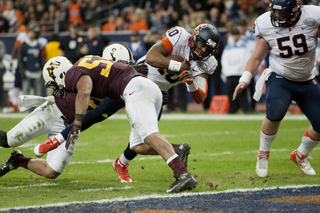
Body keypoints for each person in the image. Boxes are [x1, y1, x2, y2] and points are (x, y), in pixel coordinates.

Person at [47, 55, 197, 193]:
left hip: (135, 89)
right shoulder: (98, 65)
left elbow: (85, 93)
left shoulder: (74, 73)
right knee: (137, 145)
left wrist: (77, 124)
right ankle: (176, 151)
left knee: (150, 135)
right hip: (148, 88)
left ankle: (182, 174)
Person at [0, 48, 136, 180]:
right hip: (53, 112)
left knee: (52, 171)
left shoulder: (115, 86)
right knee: (9, 140)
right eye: (124, 67)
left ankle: (18, 160)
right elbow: (84, 93)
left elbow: (98, 113)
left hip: (68, 126)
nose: (126, 72)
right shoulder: (90, 70)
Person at [233, 0, 320, 178]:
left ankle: (301, 155)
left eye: (284, 12)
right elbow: (257, 57)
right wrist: (245, 78)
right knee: (275, 113)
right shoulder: (265, 23)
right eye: (276, 12)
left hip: (306, 78)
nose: (278, 16)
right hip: (280, 76)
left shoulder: (313, 16)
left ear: (298, 10)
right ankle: (263, 154)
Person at [221, 28, 251, 114]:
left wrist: (242, 71)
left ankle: (245, 109)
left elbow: (246, 59)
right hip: (230, 73)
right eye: (233, 35)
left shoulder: (244, 46)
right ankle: (233, 109)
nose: (235, 37)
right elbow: (224, 60)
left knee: (242, 92)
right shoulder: (228, 47)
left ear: (239, 36)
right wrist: (226, 71)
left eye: (236, 35)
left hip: (239, 73)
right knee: (230, 92)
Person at [19, 24, 45, 96]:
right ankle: (27, 107)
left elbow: (40, 58)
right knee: (26, 92)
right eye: (31, 32)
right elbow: (20, 59)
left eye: (34, 33)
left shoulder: (38, 45)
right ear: (27, 33)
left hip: (37, 71)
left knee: (38, 92)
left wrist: (41, 69)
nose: (32, 34)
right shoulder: (24, 45)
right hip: (27, 71)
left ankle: (37, 107)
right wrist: (22, 71)